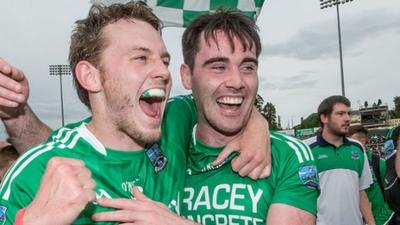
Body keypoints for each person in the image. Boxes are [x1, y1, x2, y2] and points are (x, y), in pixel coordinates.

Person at [0, 3, 270, 224]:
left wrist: (256, 123)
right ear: (90, 76)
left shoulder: (174, 122)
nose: (163, 72)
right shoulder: (38, 173)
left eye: (163, 60)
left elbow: (218, 98)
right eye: (141, 58)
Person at [92, 9, 319, 225]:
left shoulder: (287, 155)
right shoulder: (163, 142)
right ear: (187, 76)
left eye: (248, 67)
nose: (237, 81)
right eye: (218, 67)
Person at [303, 95, 373, 225]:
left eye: (349, 113)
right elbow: (301, 195)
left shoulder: (357, 148)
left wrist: (371, 222)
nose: (347, 118)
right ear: (324, 118)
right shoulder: (306, 150)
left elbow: (362, 191)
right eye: (340, 114)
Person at [348, 125, 396, 225]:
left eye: (351, 142)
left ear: (364, 142)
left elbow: (394, 197)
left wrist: (378, 222)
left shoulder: (380, 164)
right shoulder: (344, 165)